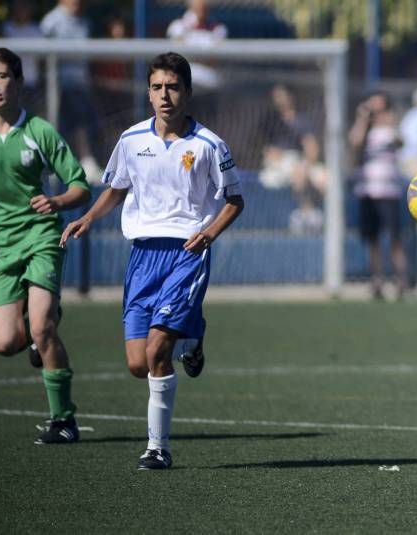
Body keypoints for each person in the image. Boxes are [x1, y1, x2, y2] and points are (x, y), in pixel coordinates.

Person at [61, 52, 245, 470]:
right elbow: (116, 188)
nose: (165, 95)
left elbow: (235, 200)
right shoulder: (131, 140)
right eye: (158, 87)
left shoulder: (209, 145)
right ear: (148, 92)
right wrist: (88, 217)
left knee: (159, 350)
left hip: (187, 253)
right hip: (143, 256)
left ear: (188, 92)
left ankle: (157, 448)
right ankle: (193, 338)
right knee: (137, 362)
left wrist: (208, 234)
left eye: (173, 87)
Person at [0, 47, 91, 444]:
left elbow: (80, 186)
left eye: (2, 76)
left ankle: (63, 420)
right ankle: (43, 325)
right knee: (5, 343)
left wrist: (56, 202)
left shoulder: (39, 131)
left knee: (42, 327)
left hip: (41, 237)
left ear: (19, 82)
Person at [348, 91, 408, 300]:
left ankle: (401, 282)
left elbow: (401, 141)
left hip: (389, 192)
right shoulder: (364, 131)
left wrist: (389, 123)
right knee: (372, 239)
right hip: (367, 191)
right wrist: (363, 119)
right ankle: (377, 282)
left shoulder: (389, 131)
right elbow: (354, 142)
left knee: (394, 239)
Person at [40, 0, 103, 183]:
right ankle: (84, 159)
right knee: (68, 121)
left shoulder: (85, 23)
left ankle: (83, 162)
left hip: (82, 83)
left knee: (87, 120)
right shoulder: (50, 22)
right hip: (57, 86)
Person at [258, 84, 327, 234]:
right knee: (296, 175)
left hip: (300, 161)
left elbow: (312, 149)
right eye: (276, 96)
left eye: (282, 95)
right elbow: (267, 150)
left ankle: (324, 217)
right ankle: (307, 213)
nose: (279, 100)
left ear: (291, 97)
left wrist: (305, 165)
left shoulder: (302, 121)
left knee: (324, 179)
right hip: (278, 165)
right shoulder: (271, 121)